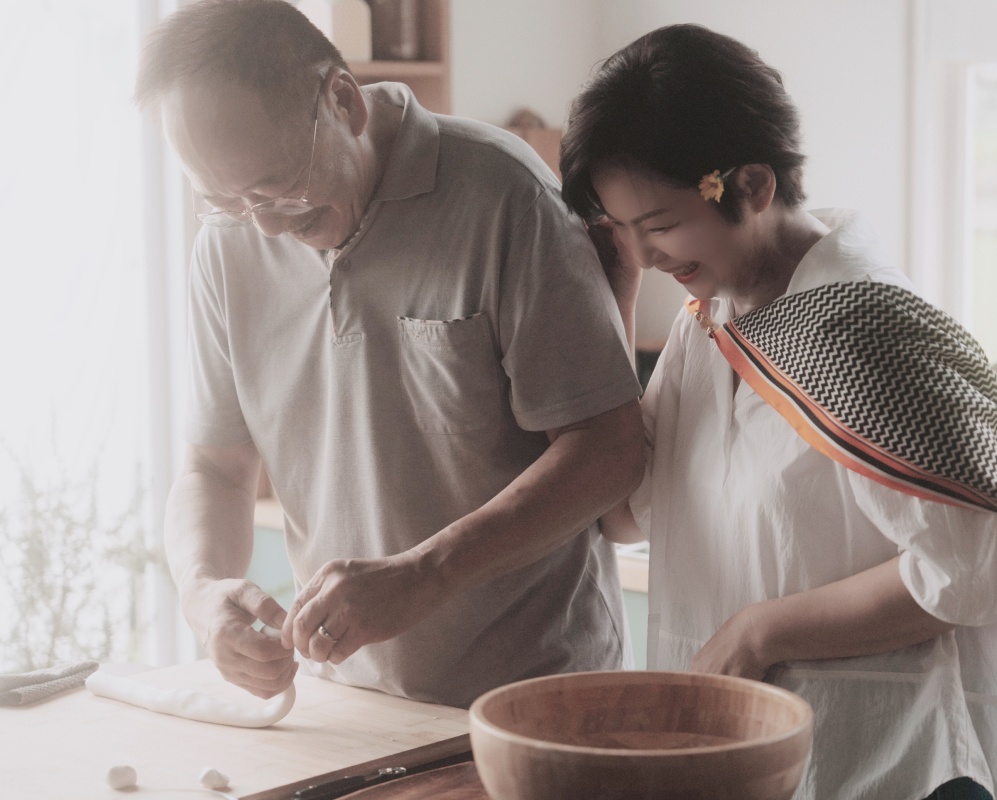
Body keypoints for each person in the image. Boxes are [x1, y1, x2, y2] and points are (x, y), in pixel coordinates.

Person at [561, 24, 997, 800]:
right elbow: (627, 514)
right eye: (624, 233)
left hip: (891, 761)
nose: (645, 256)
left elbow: (976, 567)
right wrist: (616, 298)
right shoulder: (709, 323)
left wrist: (761, 630)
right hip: (757, 760)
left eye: (663, 226)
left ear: (753, 186)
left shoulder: (867, 330)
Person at [134, 0, 644, 709]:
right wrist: (199, 588)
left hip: (533, 701)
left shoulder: (505, 196)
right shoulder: (228, 244)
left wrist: (428, 571)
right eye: (223, 199)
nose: (266, 226)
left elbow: (610, 450)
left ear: (341, 100)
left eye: (275, 186)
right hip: (346, 703)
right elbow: (214, 468)